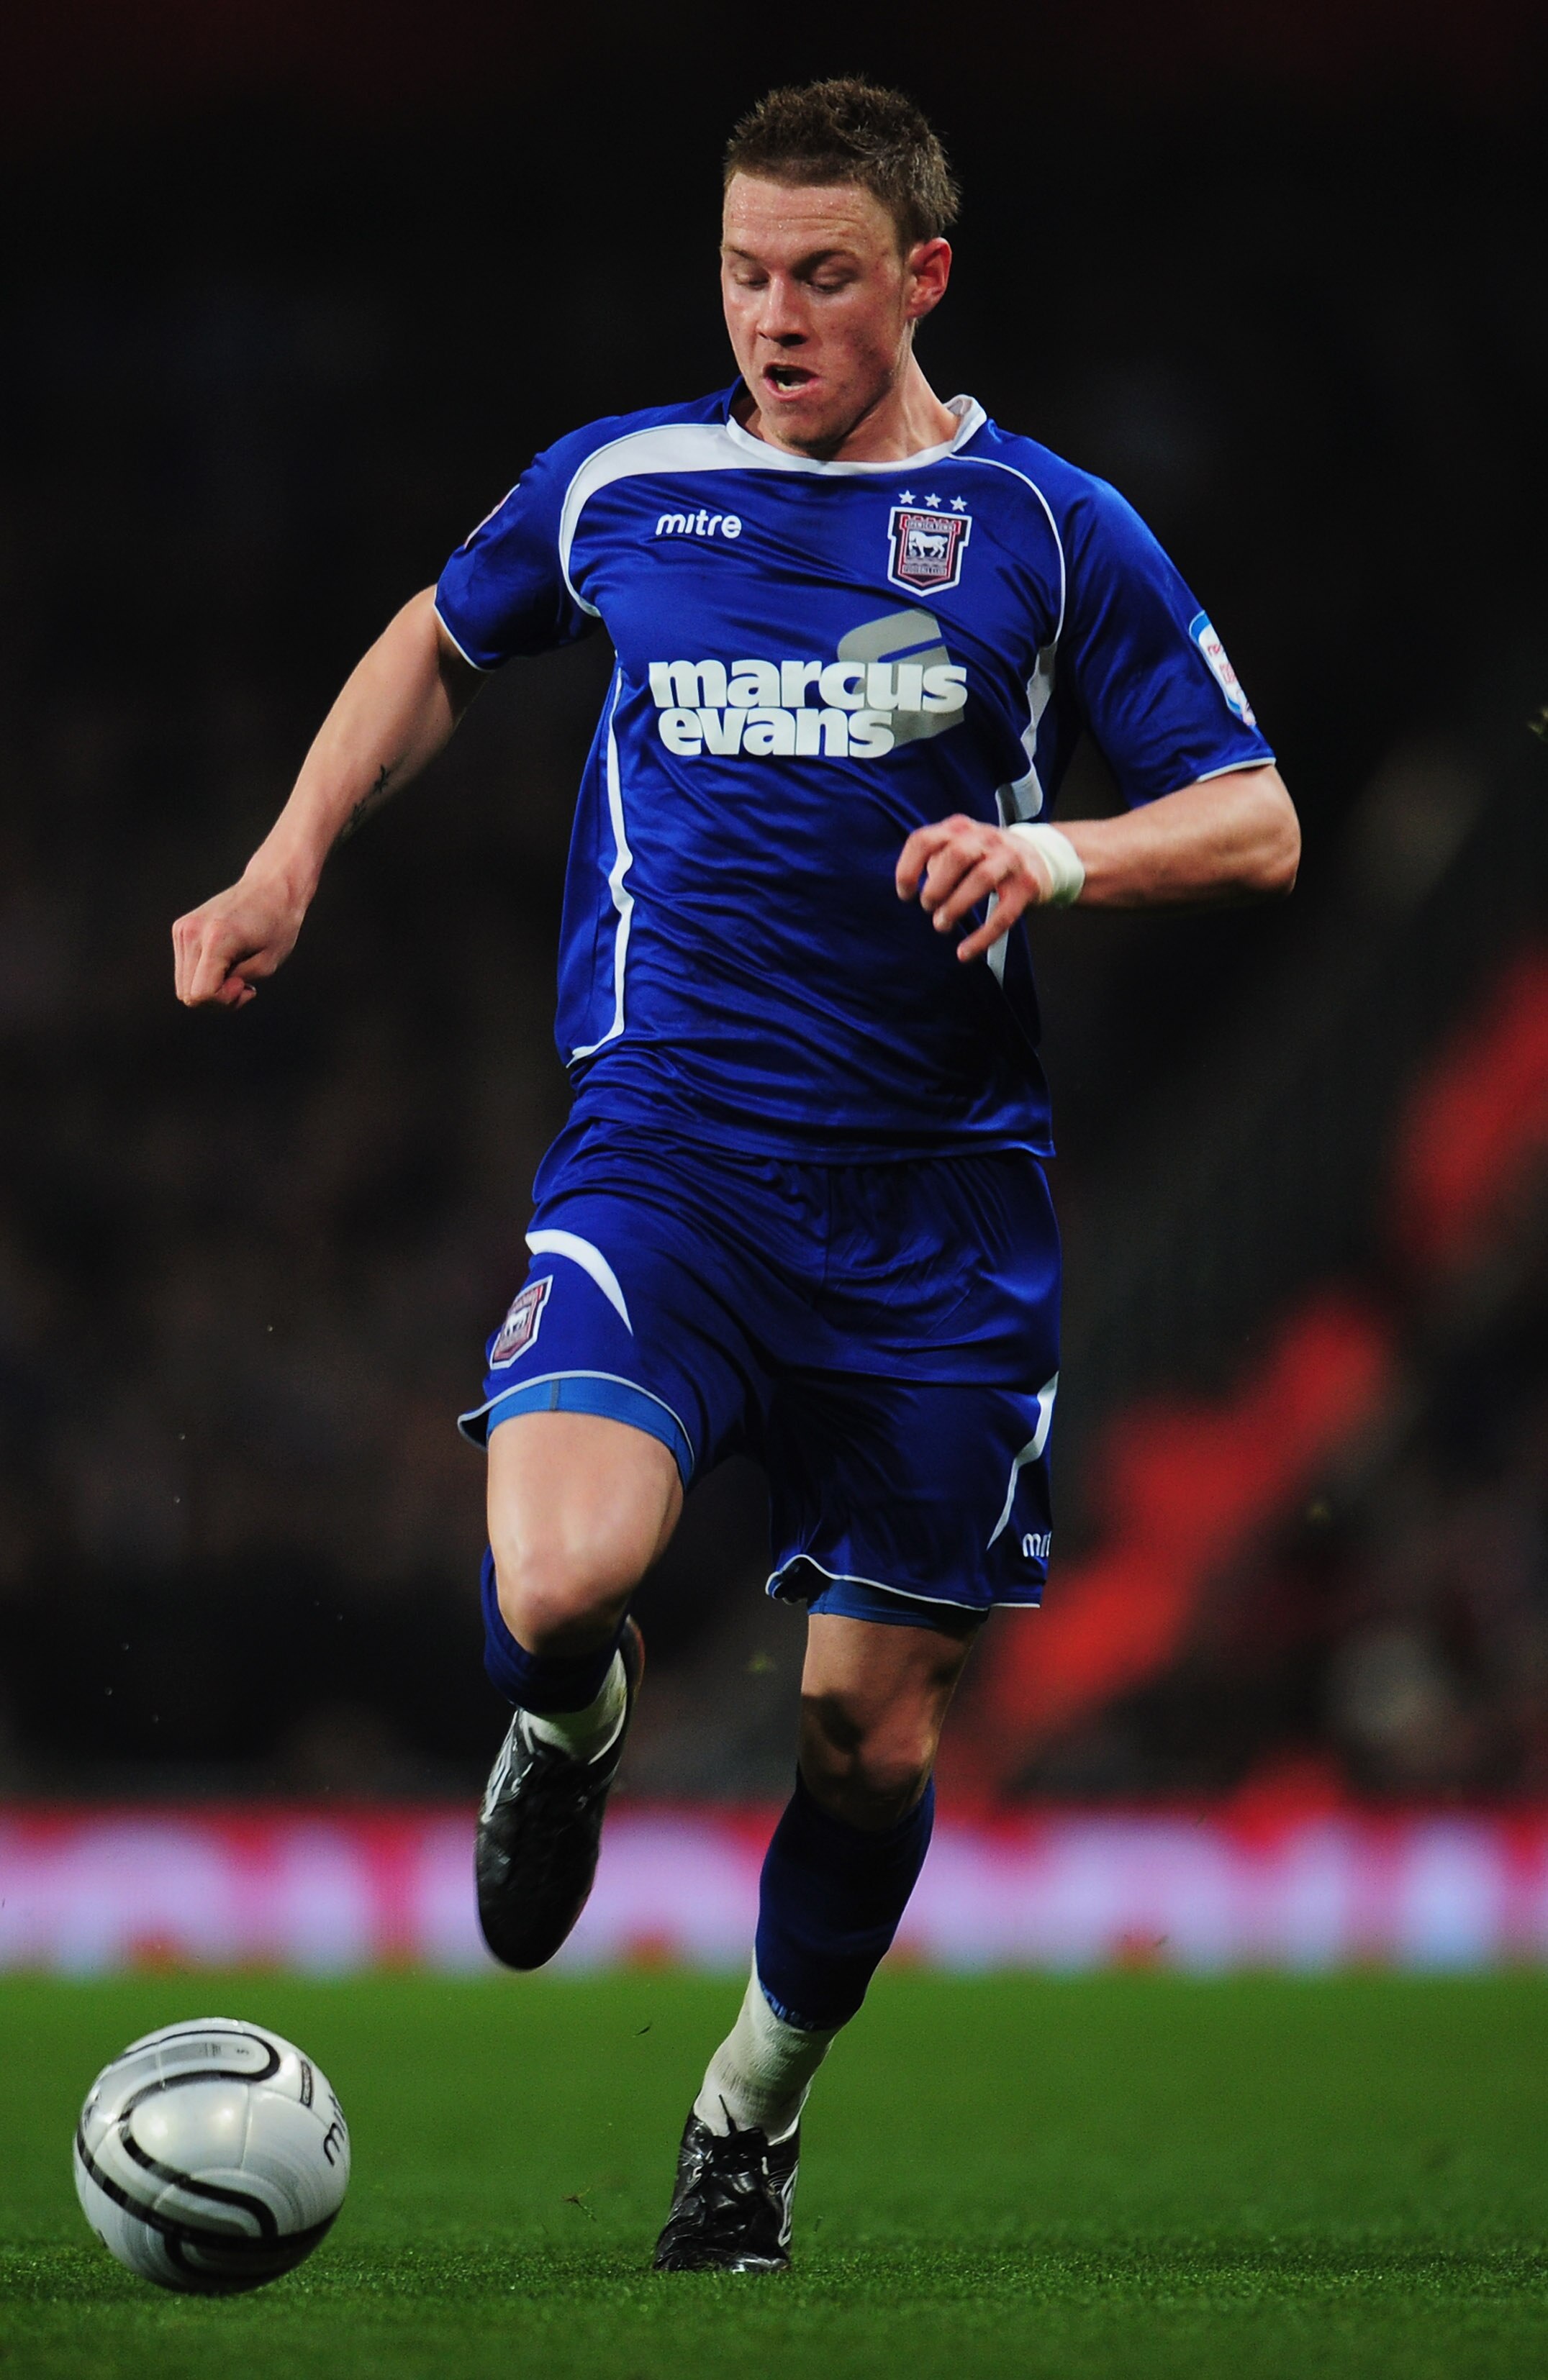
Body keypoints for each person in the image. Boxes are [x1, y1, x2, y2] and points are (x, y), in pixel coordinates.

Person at [172, 78, 1300, 2271]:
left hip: (940, 1213)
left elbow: (1254, 817)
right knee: (560, 1578)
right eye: (742, 272)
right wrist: (286, 856)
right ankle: (568, 1730)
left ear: (924, 278)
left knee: (866, 1739)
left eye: (823, 277)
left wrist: (1057, 848)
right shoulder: (631, 481)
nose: (773, 318)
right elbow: (437, 631)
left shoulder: (1053, 532)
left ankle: (745, 2116)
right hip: (669, 1156)